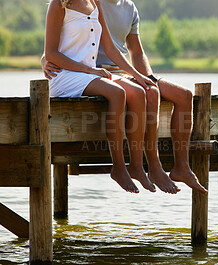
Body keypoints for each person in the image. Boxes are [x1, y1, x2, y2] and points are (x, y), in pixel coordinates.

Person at [43, 0, 208, 194]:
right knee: (130, 92)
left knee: (157, 92)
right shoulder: (69, 3)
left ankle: (160, 167)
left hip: (109, 72)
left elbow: (129, 50)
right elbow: (54, 48)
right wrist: (46, 60)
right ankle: (133, 167)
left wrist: (144, 77)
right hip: (87, 72)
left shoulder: (117, 6)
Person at [45, 0, 159, 194]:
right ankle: (119, 167)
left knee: (139, 92)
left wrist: (139, 76)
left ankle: (137, 166)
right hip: (65, 76)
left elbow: (111, 49)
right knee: (117, 92)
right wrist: (89, 70)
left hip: (89, 73)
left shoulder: (95, 2)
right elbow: (50, 53)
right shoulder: (59, 4)